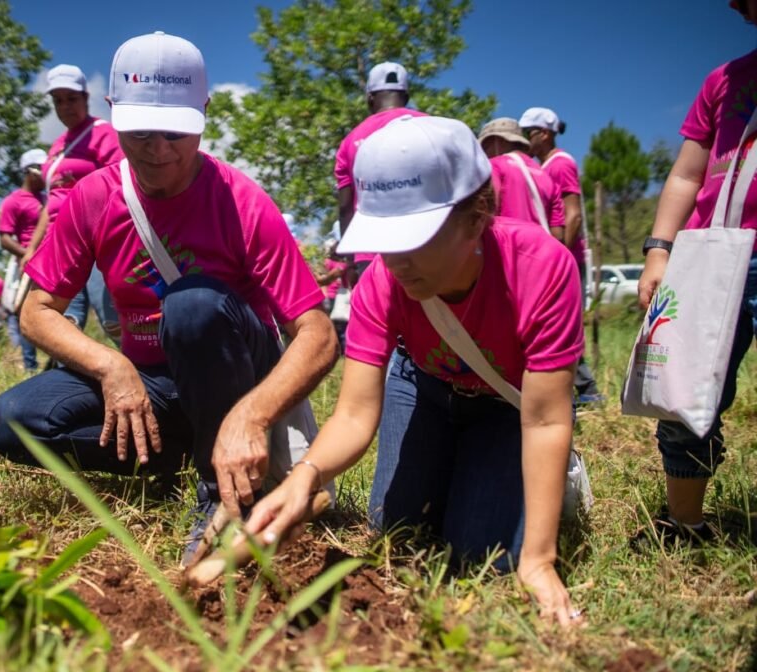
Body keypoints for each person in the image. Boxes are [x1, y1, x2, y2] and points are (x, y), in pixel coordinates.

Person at [0, 31, 337, 557]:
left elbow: (318, 333)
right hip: (153, 380)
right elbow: (36, 311)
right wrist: (111, 367)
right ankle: (183, 456)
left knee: (193, 304)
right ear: (113, 113)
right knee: (12, 422)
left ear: (203, 112)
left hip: (236, 370)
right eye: (141, 131)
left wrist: (254, 415)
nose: (158, 150)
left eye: (175, 132)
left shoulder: (240, 200)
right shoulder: (93, 197)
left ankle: (223, 497)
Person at [246, 115, 585, 626]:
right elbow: (356, 413)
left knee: (480, 553)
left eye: (415, 237)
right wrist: (305, 476)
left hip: (505, 410)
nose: (397, 261)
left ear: (476, 218)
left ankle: (558, 483)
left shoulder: (542, 268)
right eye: (386, 238)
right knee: (395, 527)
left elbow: (544, 421)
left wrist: (540, 561)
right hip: (423, 385)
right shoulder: (383, 280)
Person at [634, 0, 757, 545]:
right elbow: (688, 172)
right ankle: (685, 524)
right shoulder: (724, 80)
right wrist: (660, 248)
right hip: (713, 254)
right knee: (682, 390)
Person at [23, 64, 122, 345]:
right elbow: (50, 202)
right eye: (58, 100)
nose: (65, 106)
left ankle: (146, 377)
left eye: (72, 98)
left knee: (112, 318)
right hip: (57, 244)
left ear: (86, 98)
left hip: (93, 241)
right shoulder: (56, 147)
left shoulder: (104, 134)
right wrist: (32, 248)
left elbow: (121, 183)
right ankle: (72, 382)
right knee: (62, 322)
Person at [519, 106, 602, 406]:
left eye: (528, 134)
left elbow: (573, 214)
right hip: (552, 258)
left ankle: (588, 391)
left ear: (544, 134)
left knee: (562, 323)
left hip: (564, 259)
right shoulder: (543, 166)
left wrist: (560, 257)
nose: (525, 141)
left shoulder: (560, 164)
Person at [335, 62, 425, 280]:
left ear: (370, 97)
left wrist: (349, 260)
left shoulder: (350, 141)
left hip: (370, 251)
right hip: (427, 246)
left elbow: (346, 207)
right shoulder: (432, 126)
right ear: (406, 95)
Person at [0, 148, 46, 370]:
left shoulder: (47, 198)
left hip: (53, 259)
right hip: (27, 264)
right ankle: (30, 366)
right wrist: (26, 255)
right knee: (26, 313)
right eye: (41, 169)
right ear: (29, 171)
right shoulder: (13, 201)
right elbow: (5, 239)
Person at [478, 117, 565, 238]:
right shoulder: (546, 177)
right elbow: (558, 234)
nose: (484, 155)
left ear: (499, 141)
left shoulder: (495, 165)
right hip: (544, 253)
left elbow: (487, 216)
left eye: (485, 147)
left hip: (508, 252)